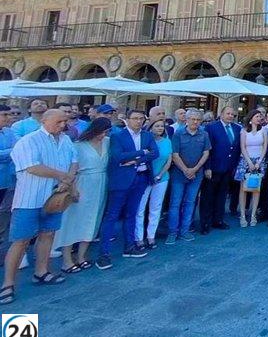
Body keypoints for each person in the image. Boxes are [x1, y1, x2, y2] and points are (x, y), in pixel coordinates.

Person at [1, 109, 78, 305]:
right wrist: (62, 176)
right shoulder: (28, 141)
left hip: (55, 198)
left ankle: (41, 271)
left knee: (48, 234)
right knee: (21, 241)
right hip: (30, 199)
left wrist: (67, 181)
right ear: (44, 121)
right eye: (59, 121)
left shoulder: (66, 140)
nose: (63, 125)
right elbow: (32, 167)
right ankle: (8, 284)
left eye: (65, 121)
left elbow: (74, 162)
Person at [96, 109, 158, 269]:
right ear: (128, 120)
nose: (138, 121)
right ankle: (104, 253)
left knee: (132, 213)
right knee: (112, 215)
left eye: (141, 119)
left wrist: (135, 160)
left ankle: (129, 246)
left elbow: (155, 153)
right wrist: (142, 153)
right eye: (135, 118)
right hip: (121, 180)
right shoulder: (118, 136)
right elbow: (118, 156)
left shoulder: (147, 135)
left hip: (141, 178)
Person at [54, 118, 111, 272]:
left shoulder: (107, 142)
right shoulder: (78, 146)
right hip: (82, 183)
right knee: (72, 221)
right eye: (101, 132)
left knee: (92, 220)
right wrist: (72, 188)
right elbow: (71, 169)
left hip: (100, 184)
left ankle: (81, 256)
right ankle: (67, 260)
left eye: (106, 132)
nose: (103, 135)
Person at [166, 109, 210, 244]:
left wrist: (195, 169)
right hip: (179, 174)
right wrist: (185, 169)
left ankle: (185, 230)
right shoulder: (178, 134)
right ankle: (173, 231)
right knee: (175, 203)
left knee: (190, 202)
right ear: (187, 119)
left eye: (198, 119)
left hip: (197, 174)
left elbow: (206, 152)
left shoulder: (204, 134)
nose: (195, 122)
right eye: (193, 119)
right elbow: (175, 154)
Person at [201, 107, 240, 233]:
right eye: (228, 114)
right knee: (208, 196)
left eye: (232, 114)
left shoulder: (237, 128)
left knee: (222, 196)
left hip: (228, 169)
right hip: (213, 168)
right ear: (221, 114)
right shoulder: (211, 128)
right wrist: (207, 167)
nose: (230, 116)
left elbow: (237, 149)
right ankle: (205, 223)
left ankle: (218, 220)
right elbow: (207, 149)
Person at [135, 119, 172, 249]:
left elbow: (168, 161)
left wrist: (160, 175)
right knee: (140, 208)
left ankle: (151, 236)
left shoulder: (167, 141)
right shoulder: (144, 142)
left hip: (162, 178)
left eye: (162, 126)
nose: (160, 128)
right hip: (145, 177)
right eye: (157, 126)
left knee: (156, 208)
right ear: (150, 128)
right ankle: (138, 237)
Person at [234, 110, 267, 227]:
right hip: (245, 161)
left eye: (260, 116)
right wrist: (249, 162)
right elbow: (242, 147)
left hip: (259, 161)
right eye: (257, 116)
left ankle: (253, 215)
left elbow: (264, 147)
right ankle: (242, 215)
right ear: (251, 118)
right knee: (243, 189)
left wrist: (259, 162)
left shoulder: (263, 130)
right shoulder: (243, 131)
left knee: (256, 188)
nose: (259, 118)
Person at [0, 106, 18, 260]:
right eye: (5, 114)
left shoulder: (9, 132)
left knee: (3, 216)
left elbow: (19, 147)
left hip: (6, 181)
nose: (8, 117)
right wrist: (10, 152)